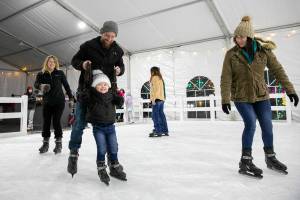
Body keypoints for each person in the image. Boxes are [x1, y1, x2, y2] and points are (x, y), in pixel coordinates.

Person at [220, 16, 299, 178]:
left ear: (249, 37)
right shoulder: (231, 54)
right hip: (241, 96)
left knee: (267, 125)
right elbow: (225, 78)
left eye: (241, 37)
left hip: (261, 95)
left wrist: (290, 90)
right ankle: (245, 161)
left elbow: (278, 70)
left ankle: (270, 157)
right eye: (236, 37)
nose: (238, 39)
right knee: (250, 124)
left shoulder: (264, 52)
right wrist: (225, 99)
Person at [67, 20, 125, 177]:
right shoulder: (88, 46)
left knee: (108, 126)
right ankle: (73, 153)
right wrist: (83, 64)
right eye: (107, 35)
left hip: (106, 94)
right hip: (87, 92)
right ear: (101, 32)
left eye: (113, 36)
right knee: (79, 123)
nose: (110, 39)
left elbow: (121, 66)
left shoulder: (117, 50)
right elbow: (75, 61)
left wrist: (120, 70)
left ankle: (113, 162)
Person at [86, 70, 127, 185]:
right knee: (102, 149)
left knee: (114, 148)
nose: (103, 86)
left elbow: (120, 102)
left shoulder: (112, 94)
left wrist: (119, 95)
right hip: (98, 128)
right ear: (95, 86)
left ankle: (114, 165)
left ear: (108, 86)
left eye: (105, 84)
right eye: (99, 84)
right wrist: (85, 91)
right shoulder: (92, 96)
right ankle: (101, 168)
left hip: (110, 127)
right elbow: (84, 98)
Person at [34, 55, 74, 154]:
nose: (51, 63)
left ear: (56, 63)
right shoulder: (41, 74)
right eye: (49, 61)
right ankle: (45, 144)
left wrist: (71, 98)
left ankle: (58, 143)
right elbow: (36, 84)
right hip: (47, 102)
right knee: (46, 122)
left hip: (59, 102)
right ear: (46, 63)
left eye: (53, 61)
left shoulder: (60, 73)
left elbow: (66, 86)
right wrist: (41, 86)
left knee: (56, 121)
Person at [149, 66, 169, 137]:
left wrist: (153, 99)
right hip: (161, 99)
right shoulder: (160, 78)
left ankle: (158, 131)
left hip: (156, 99)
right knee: (161, 115)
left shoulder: (154, 78)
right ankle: (164, 130)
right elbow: (162, 90)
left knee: (155, 116)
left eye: (151, 71)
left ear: (153, 71)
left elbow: (156, 89)